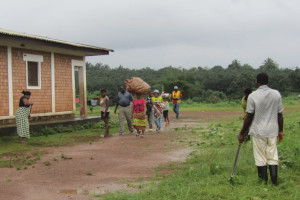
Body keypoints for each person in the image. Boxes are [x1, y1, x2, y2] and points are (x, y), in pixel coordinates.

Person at [238, 73, 284, 186]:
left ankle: (263, 182)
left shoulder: (253, 96)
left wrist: (242, 132)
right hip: (272, 130)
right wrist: (281, 131)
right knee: (272, 155)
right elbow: (280, 115)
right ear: (267, 81)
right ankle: (274, 182)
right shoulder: (276, 94)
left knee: (260, 156)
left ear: (257, 81)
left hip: (258, 131)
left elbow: (249, 116)